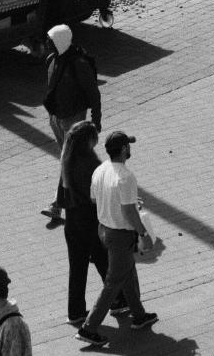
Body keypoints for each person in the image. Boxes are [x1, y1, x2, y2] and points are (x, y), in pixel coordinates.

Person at [78, 131, 158, 340]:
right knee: (113, 281)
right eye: (128, 146)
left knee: (127, 272)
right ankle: (89, 328)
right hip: (119, 235)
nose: (130, 148)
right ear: (123, 150)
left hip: (103, 230)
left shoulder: (101, 169)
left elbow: (95, 199)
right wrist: (143, 233)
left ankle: (139, 315)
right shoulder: (126, 176)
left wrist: (126, 201)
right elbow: (129, 212)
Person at [40, 25, 101, 227]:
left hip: (74, 120)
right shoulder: (52, 60)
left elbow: (93, 92)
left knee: (68, 160)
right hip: (56, 119)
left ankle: (57, 205)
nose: (47, 44)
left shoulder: (79, 64)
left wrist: (96, 118)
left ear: (60, 42)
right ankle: (101, 191)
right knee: (73, 161)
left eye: (51, 40)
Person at [58, 122, 108, 328]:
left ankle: (76, 311)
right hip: (89, 218)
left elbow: (61, 197)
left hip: (72, 221)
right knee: (104, 261)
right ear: (88, 140)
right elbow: (99, 195)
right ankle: (119, 299)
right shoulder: (90, 164)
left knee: (77, 267)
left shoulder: (67, 161)